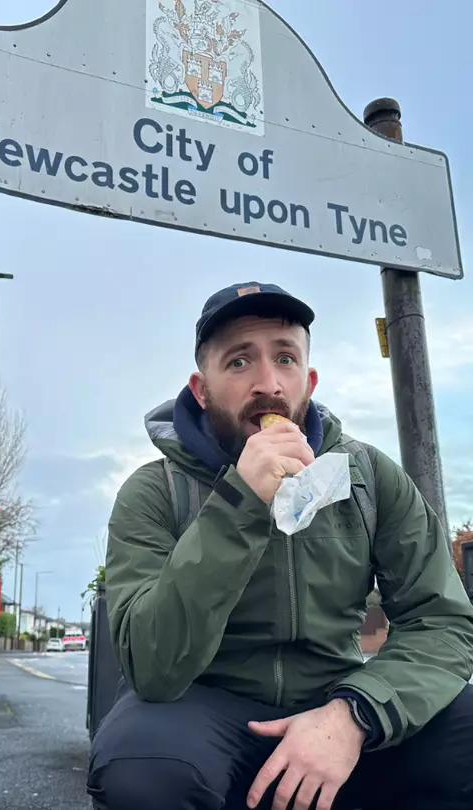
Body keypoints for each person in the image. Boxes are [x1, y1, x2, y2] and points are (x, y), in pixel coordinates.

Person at [88, 282, 473, 810]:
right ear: (202, 389)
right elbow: (152, 666)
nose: (267, 384)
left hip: (337, 704)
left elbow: (443, 623)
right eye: (240, 362)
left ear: (308, 380)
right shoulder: (155, 492)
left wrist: (355, 714)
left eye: (285, 358)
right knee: (143, 770)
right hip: (203, 706)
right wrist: (239, 504)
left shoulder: (369, 478)